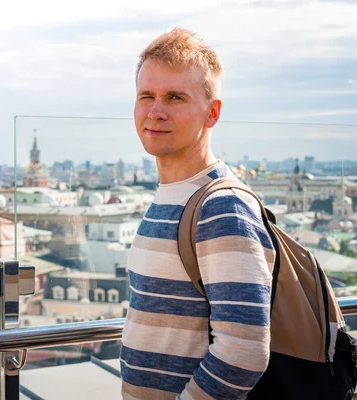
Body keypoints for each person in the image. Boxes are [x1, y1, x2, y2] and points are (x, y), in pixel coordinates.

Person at [120, 27, 276, 399]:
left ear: (212, 113)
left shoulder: (220, 206)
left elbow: (244, 351)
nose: (155, 112)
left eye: (175, 97)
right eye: (147, 95)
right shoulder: (171, 196)